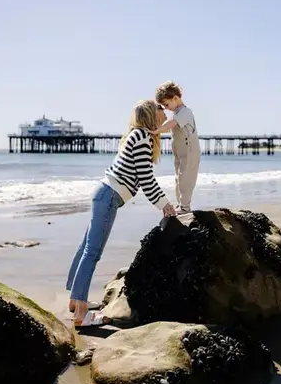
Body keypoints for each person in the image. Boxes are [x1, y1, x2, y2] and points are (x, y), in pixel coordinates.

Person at [66, 100, 176, 327]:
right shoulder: (143, 137)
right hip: (109, 196)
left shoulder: (136, 135)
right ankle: (81, 314)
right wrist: (165, 204)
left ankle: (75, 301)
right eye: (160, 108)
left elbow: (141, 176)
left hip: (104, 193)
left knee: (86, 248)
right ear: (150, 114)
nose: (164, 112)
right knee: (92, 252)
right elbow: (145, 178)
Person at [151, 81, 200, 214]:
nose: (165, 108)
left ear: (176, 98)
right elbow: (168, 123)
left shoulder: (185, 112)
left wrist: (157, 131)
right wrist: (157, 128)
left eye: (166, 104)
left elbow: (171, 124)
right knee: (178, 179)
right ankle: (180, 204)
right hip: (179, 153)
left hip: (190, 151)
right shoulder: (176, 113)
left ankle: (185, 207)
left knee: (186, 179)